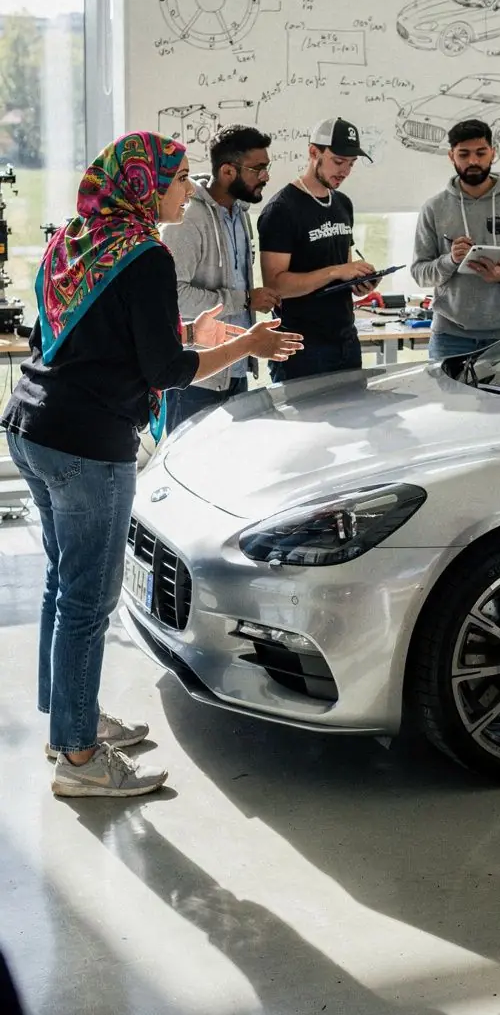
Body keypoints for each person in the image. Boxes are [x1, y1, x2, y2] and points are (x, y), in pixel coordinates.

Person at [1, 132, 302, 801]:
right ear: (143, 186)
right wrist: (248, 344)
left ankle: (69, 722)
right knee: (88, 601)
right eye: (178, 177)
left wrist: (193, 336)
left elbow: (80, 337)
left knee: (63, 586)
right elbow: (164, 372)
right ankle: (79, 760)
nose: (187, 189)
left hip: (33, 424)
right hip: (86, 444)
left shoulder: (76, 240)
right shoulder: (145, 256)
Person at [161, 124, 279, 432]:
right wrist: (245, 299)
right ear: (228, 171)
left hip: (235, 370)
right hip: (195, 380)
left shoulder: (239, 213)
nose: (265, 177)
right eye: (258, 169)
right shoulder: (186, 220)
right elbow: (173, 297)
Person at [411, 118, 500, 362]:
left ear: (493, 153)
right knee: (450, 402)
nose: (473, 161)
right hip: (449, 337)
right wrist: (450, 260)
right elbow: (420, 273)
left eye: (480, 153)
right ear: (451, 156)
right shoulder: (434, 208)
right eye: (464, 154)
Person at [257, 117, 376, 381]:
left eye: (351, 164)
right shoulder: (282, 210)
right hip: (301, 347)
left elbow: (343, 270)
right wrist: (337, 271)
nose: (344, 171)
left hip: (346, 339)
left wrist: (358, 282)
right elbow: (276, 286)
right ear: (314, 152)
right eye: (338, 161)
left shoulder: (343, 203)